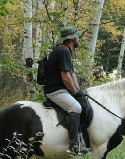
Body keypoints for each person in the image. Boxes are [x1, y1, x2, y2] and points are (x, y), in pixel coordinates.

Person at [43, 26, 89, 155]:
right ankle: (74, 145)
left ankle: (84, 139)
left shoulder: (65, 50)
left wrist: (79, 91)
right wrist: (75, 92)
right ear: (73, 38)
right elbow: (65, 77)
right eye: (77, 36)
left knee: (82, 101)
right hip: (56, 90)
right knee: (76, 108)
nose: (78, 38)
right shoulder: (63, 51)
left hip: (61, 88)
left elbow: (72, 74)